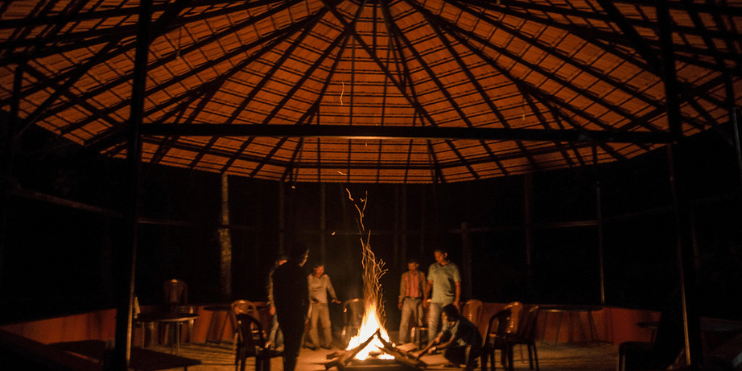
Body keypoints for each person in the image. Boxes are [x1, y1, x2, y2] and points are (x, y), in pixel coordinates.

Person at [271, 245, 309, 371]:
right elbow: (305, 295)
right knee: (293, 349)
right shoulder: (299, 271)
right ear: (301, 256)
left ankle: (287, 367)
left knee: (288, 345)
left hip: (283, 313)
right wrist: (305, 314)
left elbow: (276, 293)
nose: (306, 258)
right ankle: (289, 368)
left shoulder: (279, 271)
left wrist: (279, 309)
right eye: (305, 256)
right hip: (296, 314)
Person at [415, 304, 481, 370]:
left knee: (446, 351)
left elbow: (450, 343)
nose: (444, 317)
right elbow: (437, 339)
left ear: (450, 315)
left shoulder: (460, 324)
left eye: (445, 315)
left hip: (473, 347)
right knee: (444, 341)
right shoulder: (448, 322)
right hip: (463, 344)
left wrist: (436, 348)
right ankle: (457, 362)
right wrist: (423, 352)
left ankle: (470, 362)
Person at [423, 248, 461, 345]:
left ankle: (445, 345)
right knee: (432, 323)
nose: (437, 258)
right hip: (435, 300)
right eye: (436, 256)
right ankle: (431, 345)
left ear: (445, 254)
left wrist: (456, 300)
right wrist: (425, 297)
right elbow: (429, 283)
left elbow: (457, 285)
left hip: (447, 300)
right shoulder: (433, 267)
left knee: (446, 324)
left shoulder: (453, 267)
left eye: (439, 256)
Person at [305, 263, 341, 350]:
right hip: (314, 305)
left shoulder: (325, 277)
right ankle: (316, 344)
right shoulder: (310, 278)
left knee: (327, 324)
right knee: (313, 325)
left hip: (324, 304)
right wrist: (313, 299)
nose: (321, 271)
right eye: (319, 269)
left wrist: (334, 297)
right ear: (315, 269)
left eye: (322, 269)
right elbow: (307, 291)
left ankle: (327, 344)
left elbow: (330, 288)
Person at [398, 257, 425, 344]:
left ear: (417, 265)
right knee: (404, 321)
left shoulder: (421, 275)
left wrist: (425, 299)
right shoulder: (405, 275)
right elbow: (402, 289)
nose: (411, 268)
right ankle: (402, 340)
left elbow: (424, 288)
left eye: (413, 266)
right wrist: (400, 301)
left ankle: (419, 340)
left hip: (418, 300)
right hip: (408, 300)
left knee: (419, 321)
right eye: (409, 266)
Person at [267, 254, 288, 350]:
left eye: (285, 262)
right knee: (275, 324)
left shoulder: (287, 272)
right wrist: (272, 304)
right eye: (282, 262)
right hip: (276, 302)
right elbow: (270, 289)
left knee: (282, 325)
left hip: (285, 302)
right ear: (277, 262)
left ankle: (279, 345)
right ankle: (270, 343)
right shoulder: (274, 272)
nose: (283, 263)